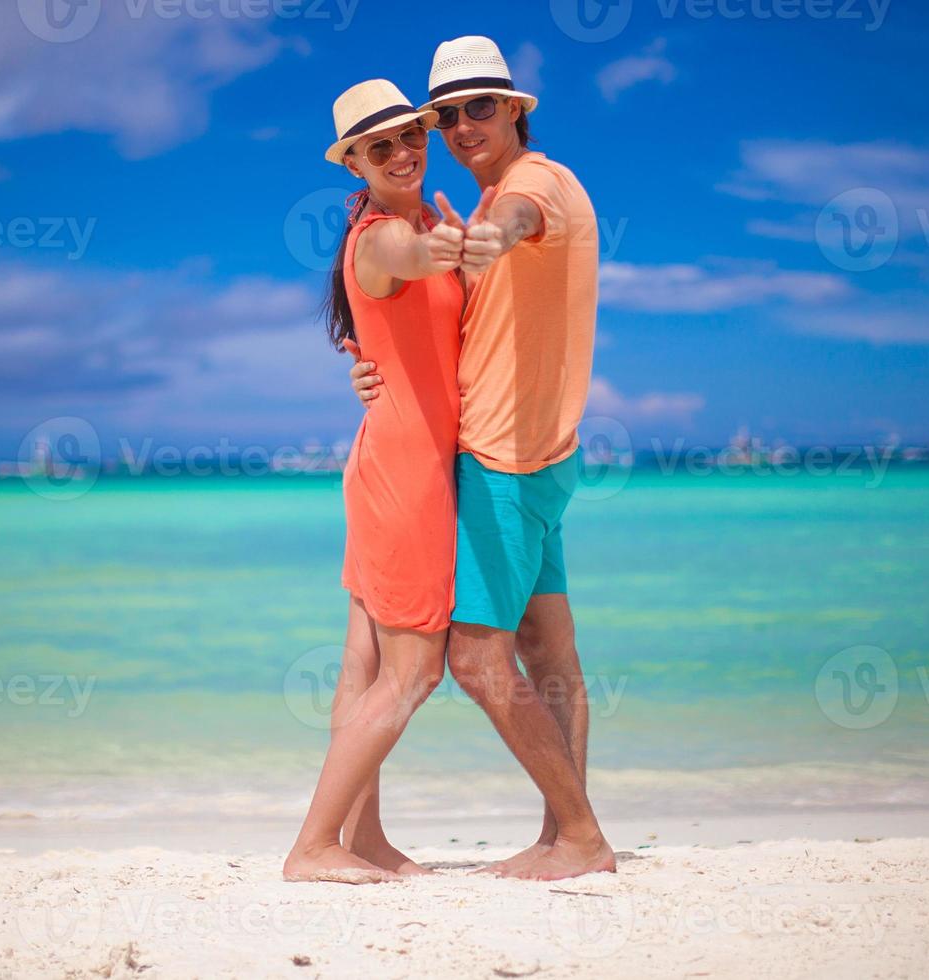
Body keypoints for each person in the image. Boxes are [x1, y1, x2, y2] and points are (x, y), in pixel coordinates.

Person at [349, 36, 615, 880]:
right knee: (549, 650)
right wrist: (375, 370)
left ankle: (577, 835)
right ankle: (561, 834)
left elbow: (519, 223)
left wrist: (491, 238)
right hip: (545, 455)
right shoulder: (481, 203)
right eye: (446, 113)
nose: (460, 125)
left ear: (513, 110)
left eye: (479, 107)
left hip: (503, 459)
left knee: (473, 658)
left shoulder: (527, 191)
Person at [283, 79, 480, 883]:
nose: (403, 151)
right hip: (404, 478)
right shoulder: (385, 236)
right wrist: (445, 249)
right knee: (413, 671)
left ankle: (359, 839)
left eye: (411, 135)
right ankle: (312, 847)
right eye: (380, 146)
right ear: (356, 165)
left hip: (394, 462)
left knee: (361, 669)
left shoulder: (422, 220)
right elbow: (405, 262)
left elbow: (397, 335)